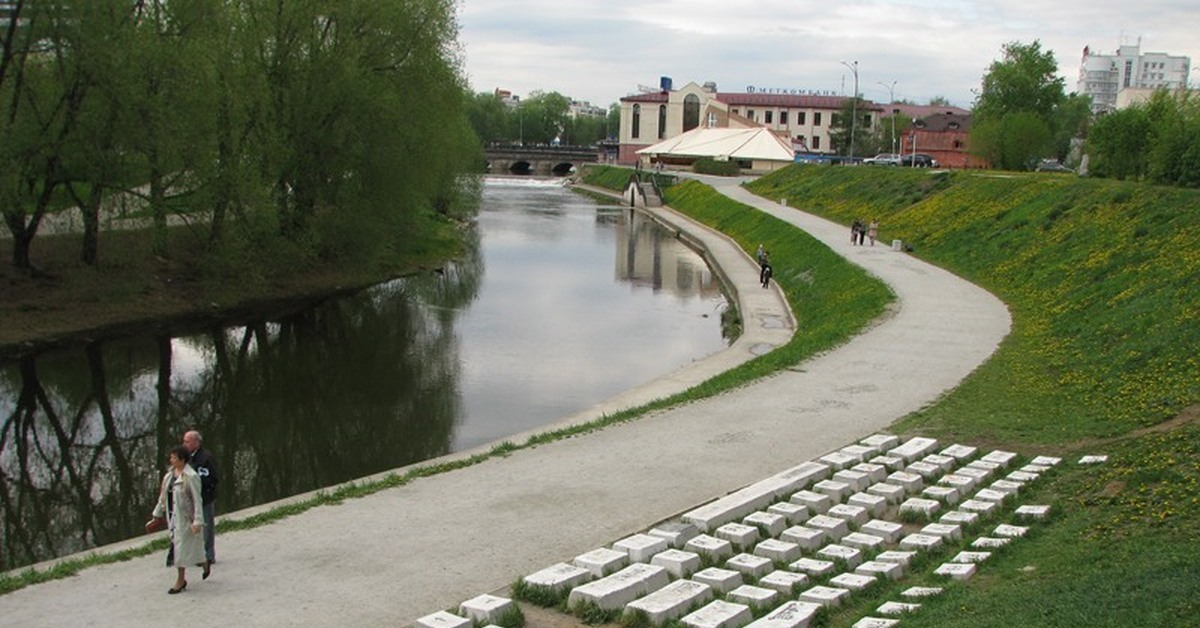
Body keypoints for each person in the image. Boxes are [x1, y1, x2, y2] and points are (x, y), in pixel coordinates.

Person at [150, 446, 205, 594]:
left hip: (186, 518)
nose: (171, 460)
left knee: (180, 551)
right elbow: (163, 497)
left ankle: (180, 580)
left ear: (182, 460)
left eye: (174, 458)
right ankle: (202, 561)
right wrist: (156, 515)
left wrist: (197, 521)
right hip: (173, 517)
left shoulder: (191, 476)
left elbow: (197, 500)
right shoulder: (168, 476)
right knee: (182, 548)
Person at [183, 430, 219, 575]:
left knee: (207, 525)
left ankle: (209, 555)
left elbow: (213, 478)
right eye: (184, 441)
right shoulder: (186, 458)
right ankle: (196, 554)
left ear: (196, 442)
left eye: (187, 441)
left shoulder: (205, 458)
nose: (184, 444)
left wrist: (200, 487)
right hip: (190, 498)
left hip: (205, 497)